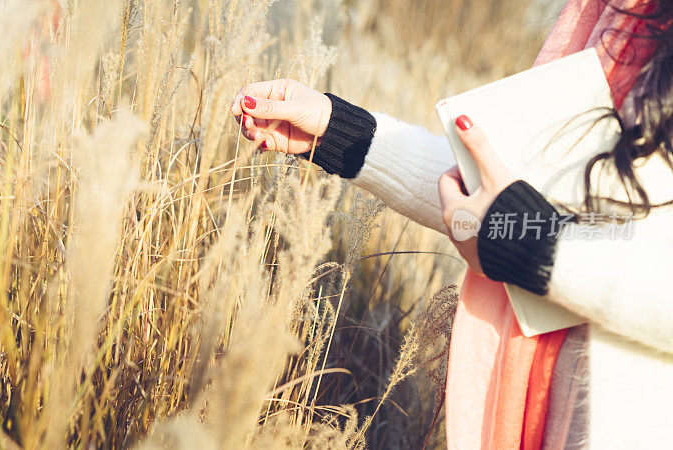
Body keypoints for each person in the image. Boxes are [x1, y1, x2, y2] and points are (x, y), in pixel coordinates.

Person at [230, 0, 673, 448]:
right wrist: (335, 128)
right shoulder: (625, 16)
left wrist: (535, 246)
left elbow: (530, 223)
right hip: (544, 411)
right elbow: (500, 192)